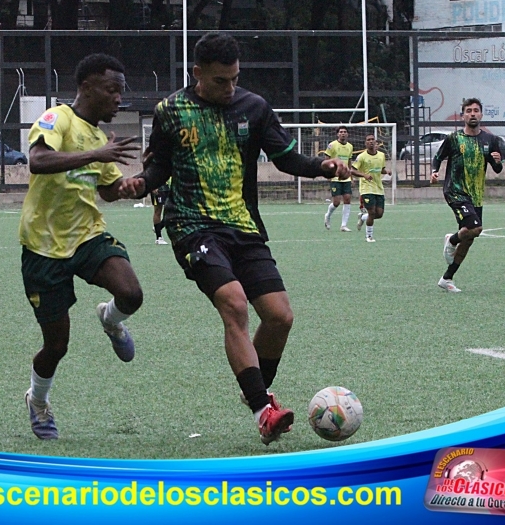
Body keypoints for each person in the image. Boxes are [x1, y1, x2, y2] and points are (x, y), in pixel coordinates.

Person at [119, 33, 349, 445]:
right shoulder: (171, 111)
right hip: (191, 225)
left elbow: (287, 158)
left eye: (235, 79)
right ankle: (264, 410)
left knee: (280, 317)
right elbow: (159, 168)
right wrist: (141, 183)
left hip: (243, 225)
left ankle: (255, 390)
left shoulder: (254, 107)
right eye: (220, 80)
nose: (230, 88)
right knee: (234, 303)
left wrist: (323, 166)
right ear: (197, 73)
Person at [19, 53, 144, 440]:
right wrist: (96, 154)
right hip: (43, 248)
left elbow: (107, 189)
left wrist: (131, 185)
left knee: (131, 294)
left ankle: (110, 318)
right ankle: (38, 400)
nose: (118, 98)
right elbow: (38, 160)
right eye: (111, 89)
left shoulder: (99, 139)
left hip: (88, 236)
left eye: (121, 91)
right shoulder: (57, 118)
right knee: (57, 345)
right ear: (86, 87)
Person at [430, 97, 502, 292]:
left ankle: (447, 278)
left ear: (481, 114)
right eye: (468, 111)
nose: (472, 114)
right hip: (455, 190)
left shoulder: (490, 140)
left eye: (476, 110)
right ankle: (452, 240)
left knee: (469, 238)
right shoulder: (454, 139)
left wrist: (498, 161)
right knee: (476, 228)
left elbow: (497, 169)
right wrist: (434, 171)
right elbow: (438, 157)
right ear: (463, 116)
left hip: (475, 194)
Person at [354, 134, 391, 242]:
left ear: (375, 142)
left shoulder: (381, 155)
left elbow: (381, 169)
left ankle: (363, 217)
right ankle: (369, 236)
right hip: (366, 188)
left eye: (372, 139)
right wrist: (364, 175)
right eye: (368, 140)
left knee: (379, 214)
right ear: (365, 143)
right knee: (372, 212)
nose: (371, 141)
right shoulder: (361, 157)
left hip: (378, 188)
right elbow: (352, 170)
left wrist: (386, 171)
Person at [324, 125, 354, 232]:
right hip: (335, 177)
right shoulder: (332, 145)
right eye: (341, 132)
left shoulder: (350, 146)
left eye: (345, 132)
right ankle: (328, 215)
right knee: (336, 202)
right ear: (337, 134)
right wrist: (328, 173)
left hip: (345, 177)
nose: (343, 133)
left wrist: (351, 177)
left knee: (347, 199)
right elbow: (326, 160)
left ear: (347, 134)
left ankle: (344, 225)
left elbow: (349, 162)